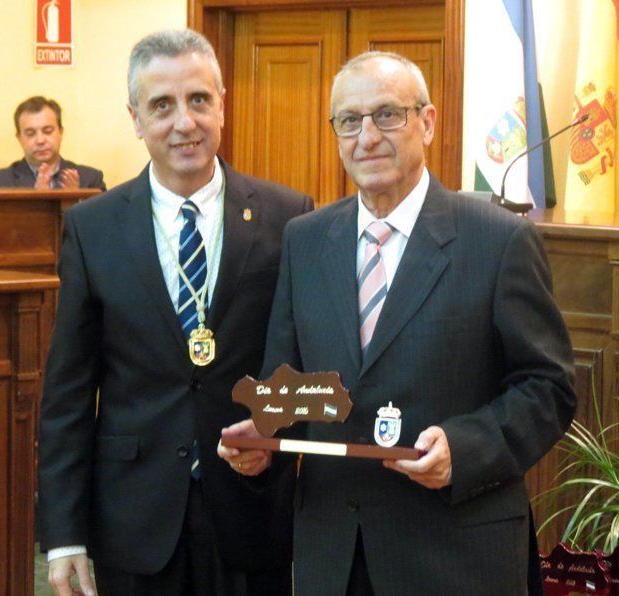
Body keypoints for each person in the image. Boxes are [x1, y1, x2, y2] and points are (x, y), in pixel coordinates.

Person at [219, 51, 576, 595]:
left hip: (455, 555)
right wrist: (264, 432)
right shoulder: (306, 239)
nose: (367, 137)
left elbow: (549, 389)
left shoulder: (499, 240)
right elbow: (288, 387)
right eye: (349, 121)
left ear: (427, 122)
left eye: (388, 114)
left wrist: (467, 447)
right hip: (334, 555)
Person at [37, 29, 313, 596]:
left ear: (221, 105)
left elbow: (300, 358)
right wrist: (64, 535)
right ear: (136, 119)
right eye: (162, 106)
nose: (184, 122)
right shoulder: (93, 228)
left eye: (199, 100)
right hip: (133, 517)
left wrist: (276, 430)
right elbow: (68, 390)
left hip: (250, 508)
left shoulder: (290, 217)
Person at [0, 96, 106, 191]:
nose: (40, 140)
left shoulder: (90, 179)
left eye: (47, 131)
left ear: (60, 132)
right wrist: (37, 200)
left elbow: (104, 223)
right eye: (30, 134)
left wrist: (76, 201)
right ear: (19, 138)